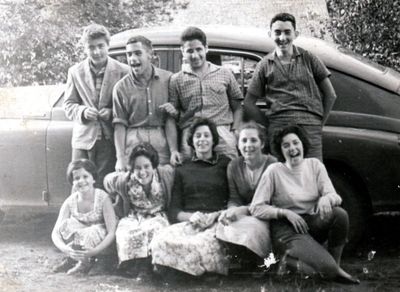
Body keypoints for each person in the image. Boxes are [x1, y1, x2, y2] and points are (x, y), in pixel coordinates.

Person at [249, 125, 359, 284]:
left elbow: (335, 196)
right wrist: (284, 213)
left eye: (295, 143)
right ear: (281, 151)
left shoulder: (315, 165)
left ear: (303, 145)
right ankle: (287, 261)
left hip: (310, 224)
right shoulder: (274, 171)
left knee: (340, 215)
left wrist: (326, 199)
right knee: (316, 272)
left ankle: (335, 266)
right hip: (286, 230)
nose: (292, 148)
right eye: (286, 145)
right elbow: (256, 207)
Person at [244, 12, 337, 161]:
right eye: (277, 32)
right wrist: (270, 125)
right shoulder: (264, 65)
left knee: (311, 172)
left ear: (296, 34)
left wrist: (318, 124)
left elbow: (331, 95)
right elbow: (249, 103)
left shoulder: (309, 58)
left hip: (310, 128)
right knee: (282, 175)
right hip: (278, 129)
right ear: (270, 34)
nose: (282, 38)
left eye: (287, 32)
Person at [150, 118, 231, 276]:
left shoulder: (225, 164)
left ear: (213, 139)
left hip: (216, 222)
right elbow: (174, 210)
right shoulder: (183, 168)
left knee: (198, 245)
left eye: (206, 136)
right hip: (191, 221)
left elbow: (233, 199)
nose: (202, 140)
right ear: (192, 141)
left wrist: (215, 216)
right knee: (160, 241)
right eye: (198, 136)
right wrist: (191, 216)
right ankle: (186, 271)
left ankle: (181, 270)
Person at [63, 24, 129, 188]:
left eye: (100, 46)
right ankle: (81, 214)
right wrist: (83, 111)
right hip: (84, 139)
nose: (96, 51)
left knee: (106, 185)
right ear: (85, 49)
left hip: (110, 139)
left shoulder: (123, 71)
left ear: (108, 45)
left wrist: (112, 112)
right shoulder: (75, 72)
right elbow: (68, 104)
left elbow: (129, 107)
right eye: (91, 47)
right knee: (80, 184)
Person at [166, 26, 244, 162]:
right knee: (191, 173)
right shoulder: (176, 80)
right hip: (191, 134)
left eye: (198, 49)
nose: (195, 55)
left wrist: (235, 131)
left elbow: (237, 107)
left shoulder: (224, 73)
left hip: (222, 132)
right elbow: (172, 116)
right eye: (189, 51)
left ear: (206, 48)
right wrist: (174, 150)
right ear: (182, 51)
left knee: (229, 171)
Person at [103, 143, 174, 277]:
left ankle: (152, 265)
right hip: (134, 216)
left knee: (156, 230)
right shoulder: (124, 180)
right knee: (125, 232)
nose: (142, 172)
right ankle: (134, 265)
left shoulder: (165, 174)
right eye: (138, 168)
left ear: (153, 165)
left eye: (146, 166)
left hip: (157, 216)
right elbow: (107, 181)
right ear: (132, 169)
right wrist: (116, 196)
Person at [216, 121, 277, 269]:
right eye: (244, 140)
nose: (248, 145)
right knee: (224, 225)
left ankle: (260, 262)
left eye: (253, 140)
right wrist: (231, 211)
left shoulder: (273, 165)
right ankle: (245, 261)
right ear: (238, 145)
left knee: (251, 229)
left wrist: (242, 211)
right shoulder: (234, 165)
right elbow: (234, 198)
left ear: (262, 144)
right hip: (245, 214)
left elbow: (272, 202)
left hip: (267, 216)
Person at [112, 35, 177, 170]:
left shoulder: (168, 79)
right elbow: (119, 125)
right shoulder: (121, 87)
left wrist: (173, 150)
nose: (133, 59)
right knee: (137, 183)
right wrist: (120, 158)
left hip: (161, 139)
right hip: (134, 139)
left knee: (163, 180)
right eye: (129, 54)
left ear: (150, 55)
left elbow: (170, 119)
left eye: (137, 53)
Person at [51, 159, 117, 275]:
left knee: (92, 231)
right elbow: (55, 233)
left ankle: (93, 262)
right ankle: (74, 258)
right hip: (81, 243)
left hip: (101, 243)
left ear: (93, 179)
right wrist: (66, 249)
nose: (81, 181)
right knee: (64, 226)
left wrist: (95, 251)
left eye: (85, 176)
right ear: (72, 182)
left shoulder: (102, 198)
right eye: (76, 178)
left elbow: (112, 232)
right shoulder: (70, 201)